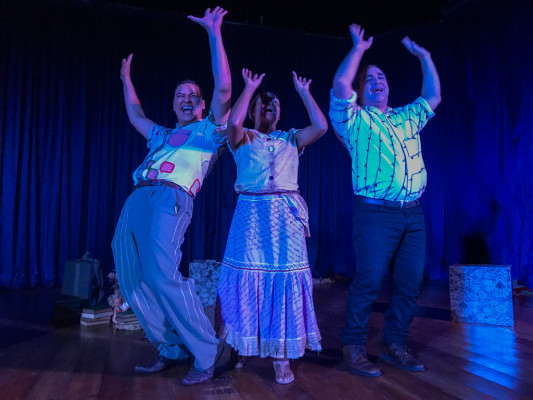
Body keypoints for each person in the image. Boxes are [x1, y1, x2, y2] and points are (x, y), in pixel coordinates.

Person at [111, 6, 231, 386]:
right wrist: (126, 79)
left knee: (162, 274)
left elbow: (224, 89)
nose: (186, 98)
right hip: (137, 199)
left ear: (201, 104)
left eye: (192, 95)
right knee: (131, 277)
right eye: (180, 95)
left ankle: (208, 351)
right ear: (173, 104)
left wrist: (213, 32)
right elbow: (136, 115)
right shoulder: (163, 135)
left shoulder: (209, 132)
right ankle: (171, 347)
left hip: (171, 199)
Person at [329, 24, 441, 377]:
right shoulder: (354, 120)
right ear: (361, 90)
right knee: (369, 282)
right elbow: (340, 85)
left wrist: (424, 57)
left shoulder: (406, 116)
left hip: (413, 214)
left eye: (381, 77)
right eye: (369, 79)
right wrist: (359, 49)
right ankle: (353, 346)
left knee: (410, 284)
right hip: (376, 214)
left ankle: (395, 344)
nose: (377, 81)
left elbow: (433, 96)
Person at [217, 68, 327, 384]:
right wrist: (250, 88)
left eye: (275, 103)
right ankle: (243, 344)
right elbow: (233, 123)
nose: (270, 105)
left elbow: (321, 126)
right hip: (251, 213)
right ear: (252, 110)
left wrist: (304, 92)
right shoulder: (243, 138)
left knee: (282, 281)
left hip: (285, 215)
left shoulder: (291, 138)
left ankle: (281, 356)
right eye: (263, 103)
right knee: (248, 279)